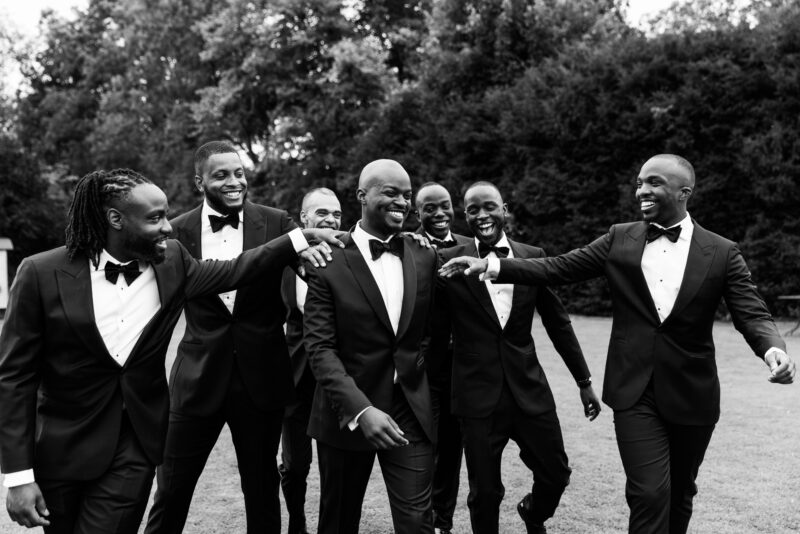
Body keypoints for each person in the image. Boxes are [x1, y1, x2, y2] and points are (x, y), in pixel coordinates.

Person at [440, 155, 796, 534]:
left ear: (683, 192)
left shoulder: (722, 252)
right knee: (647, 493)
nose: (641, 190)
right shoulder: (619, 237)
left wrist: (773, 348)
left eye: (653, 183)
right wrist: (494, 266)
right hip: (633, 392)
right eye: (640, 182)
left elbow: (752, 312)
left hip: (693, 394)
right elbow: (557, 267)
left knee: (680, 492)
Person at [0, 168, 341, 534]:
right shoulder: (40, 273)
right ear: (115, 219)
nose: (168, 227)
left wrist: (300, 238)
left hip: (133, 445)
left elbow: (237, 268)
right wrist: (17, 475)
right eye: (155, 218)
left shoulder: (173, 261)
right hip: (61, 446)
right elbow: (14, 377)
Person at [144, 141, 323, 533]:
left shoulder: (277, 222)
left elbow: (317, 272)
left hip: (262, 379)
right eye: (221, 174)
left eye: (238, 172)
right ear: (199, 181)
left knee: (261, 490)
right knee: (171, 491)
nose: (234, 181)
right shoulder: (178, 230)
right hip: (196, 379)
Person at [434, 181, 601, 534]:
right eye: (472, 210)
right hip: (476, 397)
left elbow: (559, 325)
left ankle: (533, 513)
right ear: (464, 216)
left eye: (489, 206)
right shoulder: (448, 261)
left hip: (529, 390)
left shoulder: (533, 257)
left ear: (504, 209)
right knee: (485, 493)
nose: (482, 215)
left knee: (556, 473)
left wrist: (584, 382)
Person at [303, 159, 438, 534]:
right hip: (346, 411)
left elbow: (426, 329)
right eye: (391, 193)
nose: (403, 202)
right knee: (339, 521)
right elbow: (319, 349)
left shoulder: (422, 254)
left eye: (407, 195)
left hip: (409, 405)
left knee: (416, 522)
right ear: (362, 196)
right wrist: (361, 410)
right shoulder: (327, 258)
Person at [279, 187, 342, 534]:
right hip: (294, 375)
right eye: (321, 213)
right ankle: (296, 522)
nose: (330, 220)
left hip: (334, 376)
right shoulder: (282, 260)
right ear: (304, 218)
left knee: (335, 464)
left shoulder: (348, 256)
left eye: (336, 214)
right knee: (295, 463)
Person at [413, 182, 470, 534]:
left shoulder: (470, 247)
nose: (438, 214)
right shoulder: (408, 245)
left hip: (462, 367)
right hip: (421, 367)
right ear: (417, 213)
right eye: (429, 208)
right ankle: (419, 520)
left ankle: (442, 524)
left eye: (444, 206)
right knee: (422, 448)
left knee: (452, 449)